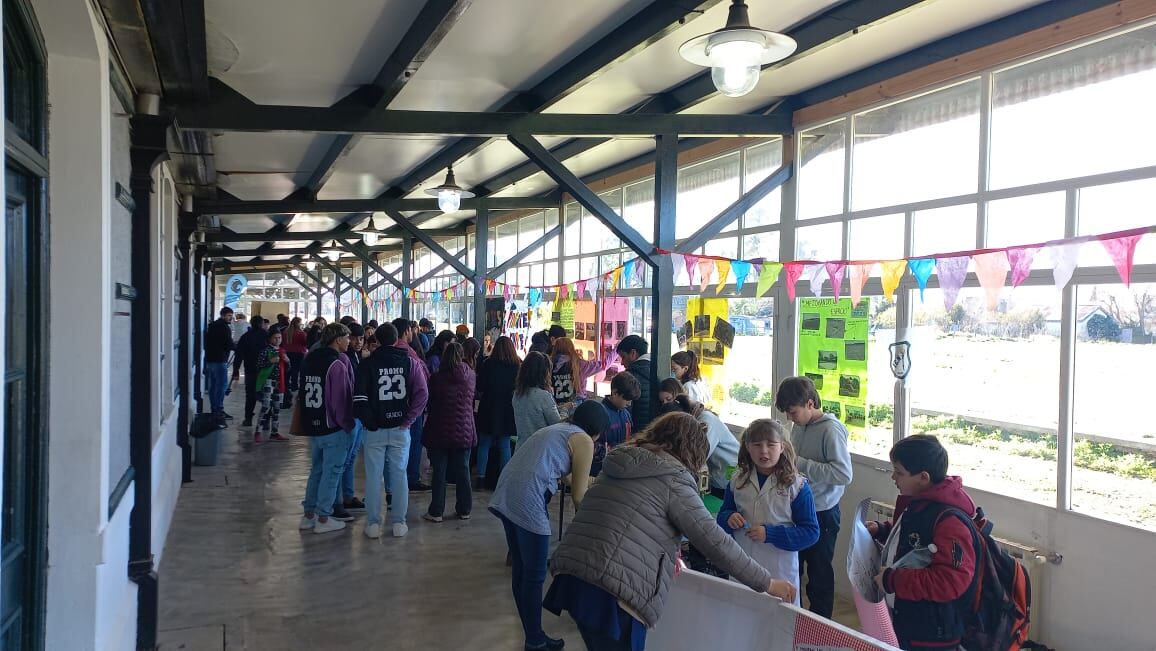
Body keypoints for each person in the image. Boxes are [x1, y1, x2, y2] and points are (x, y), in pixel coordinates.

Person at [545, 412, 797, 650]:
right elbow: (715, 542)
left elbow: (635, 519)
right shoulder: (672, 478)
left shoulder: (621, 461)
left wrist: (669, 550)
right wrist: (768, 583)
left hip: (574, 574)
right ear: (693, 450)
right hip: (614, 590)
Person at [489, 401, 610, 651]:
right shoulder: (584, 440)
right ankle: (534, 640)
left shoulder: (558, 430)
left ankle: (534, 635)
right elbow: (578, 495)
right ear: (597, 429)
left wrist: (595, 480)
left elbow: (566, 475)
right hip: (528, 498)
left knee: (522, 571)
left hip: (507, 492)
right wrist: (591, 527)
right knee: (534, 576)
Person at [869, 435, 979, 651]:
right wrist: (883, 530)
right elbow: (916, 540)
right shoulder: (919, 502)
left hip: (932, 635)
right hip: (909, 622)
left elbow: (950, 581)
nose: (893, 477)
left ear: (923, 477)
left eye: (899, 472)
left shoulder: (950, 521)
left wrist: (893, 580)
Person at [717, 419, 819, 605]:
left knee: (776, 627)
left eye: (771, 445)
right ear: (747, 447)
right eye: (757, 445)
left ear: (782, 447)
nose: (764, 451)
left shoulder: (796, 486)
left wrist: (770, 534)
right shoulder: (737, 480)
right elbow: (723, 514)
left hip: (779, 570)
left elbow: (811, 533)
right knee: (741, 619)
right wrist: (729, 518)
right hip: (743, 568)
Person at [775, 376, 852, 619]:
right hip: (799, 508)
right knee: (792, 567)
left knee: (819, 576)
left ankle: (821, 630)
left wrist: (801, 464)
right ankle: (793, 621)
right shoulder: (799, 425)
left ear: (810, 404)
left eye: (793, 412)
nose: (790, 418)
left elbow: (843, 474)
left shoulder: (831, 429)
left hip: (823, 513)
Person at [354, 323, 429, 539]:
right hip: (400, 429)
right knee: (399, 476)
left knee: (373, 477)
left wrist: (370, 422)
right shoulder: (410, 363)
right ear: (398, 339)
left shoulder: (368, 364)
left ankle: (373, 524)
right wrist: (408, 419)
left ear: (376, 340)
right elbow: (422, 394)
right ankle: (399, 522)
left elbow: (359, 398)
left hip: (374, 430)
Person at [297, 323, 356, 534]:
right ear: (337, 339)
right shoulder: (336, 365)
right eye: (347, 337)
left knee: (317, 471)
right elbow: (340, 401)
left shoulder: (310, 359)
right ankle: (324, 517)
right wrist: (347, 424)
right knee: (332, 472)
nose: (349, 341)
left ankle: (308, 515)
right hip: (333, 427)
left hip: (314, 423)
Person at [422, 341, 476, 522]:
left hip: (439, 430)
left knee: (439, 472)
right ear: (462, 355)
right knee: (463, 471)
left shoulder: (436, 378)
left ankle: (436, 511)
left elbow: (430, 403)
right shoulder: (471, 376)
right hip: (465, 430)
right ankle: (465, 509)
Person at [656, 395, 740, 497]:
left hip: (728, 475)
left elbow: (696, 456)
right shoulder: (695, 419)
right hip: (718, 473)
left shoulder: (706, 422)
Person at [390, 318, 431, 493]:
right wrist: (414, 414)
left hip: (394, 407)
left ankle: (395, 485)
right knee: (413, 443)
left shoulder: (390, 351)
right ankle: (410, 479)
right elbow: (421, 389)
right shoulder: (407, 352)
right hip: (410, 408)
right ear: (407, 331)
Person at [475, 336, 521, 488]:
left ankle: (480, 478)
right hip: (508, 408)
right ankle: (504, 480)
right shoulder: (516, 366)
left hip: (488, 406)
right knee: (505, 445)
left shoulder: (487, 364)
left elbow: (480, 387)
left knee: (484, 444)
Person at [334, 322, 366, 516]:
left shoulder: (355, 356)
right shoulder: (342, 359)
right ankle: (337, 500)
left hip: (357, 414)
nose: (357, 342)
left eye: (361, 339)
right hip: (349, 415)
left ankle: (347, 495)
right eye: (353, 338)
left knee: (351, 458)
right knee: (343, 460)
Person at [593, 371, 639, 476]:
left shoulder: (626, 414)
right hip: (601, 468)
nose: (629, 403)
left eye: (631, 400)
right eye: (626, 399)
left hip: (622, 464)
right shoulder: (599, 413)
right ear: (614, 393)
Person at [512, 352, 562, 441]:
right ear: (544, 372)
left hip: (522, 447)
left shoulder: (517, 394)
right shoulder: (543, 396)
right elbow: (557, 424)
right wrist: (565, 411)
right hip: (541, 448)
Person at [549, 337, 608, 410]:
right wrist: (617, 351)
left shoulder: (548, 364)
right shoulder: (579, 364)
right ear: (571, 348)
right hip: (576, 407)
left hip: (555, 406)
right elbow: (604, 364)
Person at [253, 329, 290, 443]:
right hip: (268, 381)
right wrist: (271, 361)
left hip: (280, 382)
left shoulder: (282, 351)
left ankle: (274, 432)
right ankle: (258, 431)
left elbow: (288, 369)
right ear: (269, 338)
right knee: (266, 406)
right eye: (275, 337)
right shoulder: (265, 351)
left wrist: (287, 361)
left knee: (277, 408)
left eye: (279, 338)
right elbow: (259, 366)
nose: (278, 340)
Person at [233, 317, 270, 426]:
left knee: (250, 395)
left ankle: (248, 418)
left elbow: (238, 355)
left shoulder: (245, 337)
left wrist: (236, 370)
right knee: (267, 394)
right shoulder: (267, 336)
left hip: (250, 369)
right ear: (262, 323)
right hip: (266, 370)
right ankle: (266, 420)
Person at [615, 334, 654, 431]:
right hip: (655, 431)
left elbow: (625, 412)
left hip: (636, 433)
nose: (622, 363)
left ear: (633, 353)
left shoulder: (629, 376)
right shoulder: (658, 369)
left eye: (623, 357)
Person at [204, 307, 235, 419]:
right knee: (222, 385)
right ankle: (219, 409)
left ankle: (214, 409)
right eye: (228, 316)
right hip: (220, 359)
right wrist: (236, 347)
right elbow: (228, 343)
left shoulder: (212, 326)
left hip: (210, 359)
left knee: (213, 386)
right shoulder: (224, 327)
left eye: (231, 316)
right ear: (222, 315)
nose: (230, 318)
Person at [281, 317, 308, 408]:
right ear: (299, 324)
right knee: (296, 370)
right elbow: (305, 343)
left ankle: (287, 385)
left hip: (287, 353)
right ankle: (294, 385)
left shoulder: (286, 332)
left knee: (288, 370)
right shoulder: (301, 333)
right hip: (299, 353)